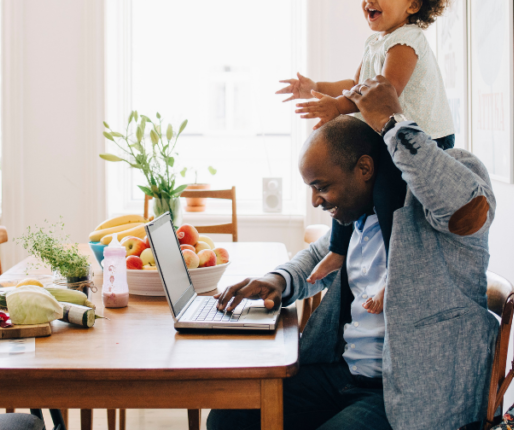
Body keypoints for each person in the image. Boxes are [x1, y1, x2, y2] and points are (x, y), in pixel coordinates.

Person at [208, 76, 498, 430]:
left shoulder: (448, 180)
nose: (316, 200)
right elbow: (317, 256)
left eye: (322, 187)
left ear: (364, 169)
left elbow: (467, 207)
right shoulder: (360, 215)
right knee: (228, 418)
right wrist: (277, 280)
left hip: (408, 394)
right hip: (343, 375)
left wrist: (392, 123)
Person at [276, 0, 457, 312]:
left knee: (387, 195)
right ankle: (338, 251)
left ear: (413, 4)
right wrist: (317, 87)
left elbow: (383, 93)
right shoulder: (376, 42)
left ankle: (396, 275)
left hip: (422, 139)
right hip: (387, 133)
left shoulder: (407, 41)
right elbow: (356, 83)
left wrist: (338, 106)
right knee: (350, 185)